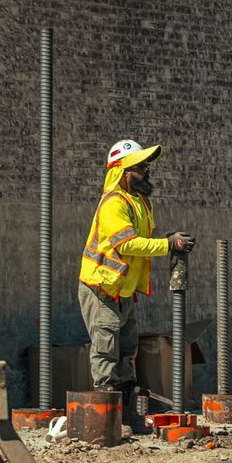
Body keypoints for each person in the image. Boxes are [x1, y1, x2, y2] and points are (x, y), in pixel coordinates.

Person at [78, 139, 194, 403]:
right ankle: (107, 415)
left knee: (127, 350)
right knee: (107, 352)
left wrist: (167, 238)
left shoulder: (139, 203)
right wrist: (168, 244)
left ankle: (128, 410)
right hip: (102, 289)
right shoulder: (113, 203)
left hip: (123, 292)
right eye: (141, 167)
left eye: (146, 166)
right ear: (123, 171)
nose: (147, 172)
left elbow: (142, 241)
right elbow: (127, 243)